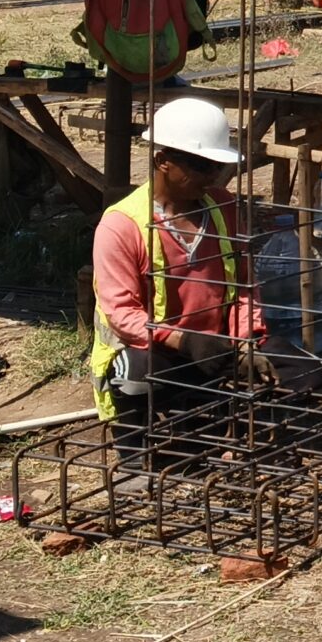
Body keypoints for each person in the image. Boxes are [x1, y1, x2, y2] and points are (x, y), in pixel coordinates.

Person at [87, 97, 267, 447]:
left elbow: (245, 286)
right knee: (136, 374)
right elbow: (121, 312)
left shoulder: (223, 208)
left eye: (216, 166)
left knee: (301, 368)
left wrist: (247, 343)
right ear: (162, 161)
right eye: (201, 166)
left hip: (215, 349)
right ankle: (135, 453)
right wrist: (183, 340)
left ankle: (214, 424)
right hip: (158, 351)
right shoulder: (121, 225)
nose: (212, 176)